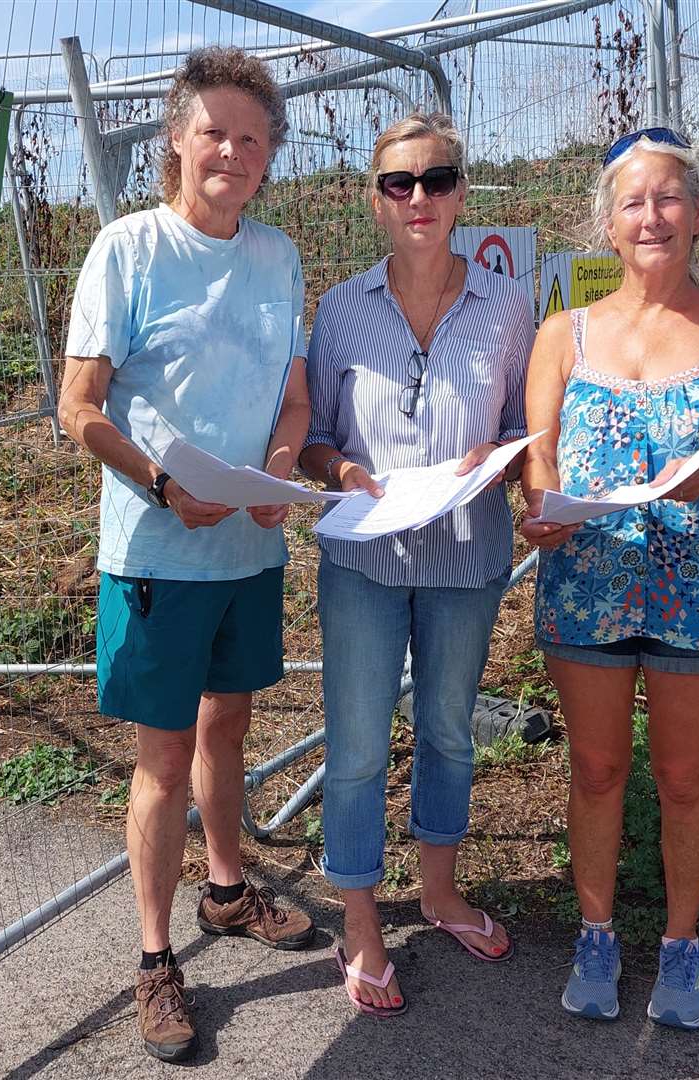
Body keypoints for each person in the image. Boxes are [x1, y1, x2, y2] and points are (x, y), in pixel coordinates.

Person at [58, 46, 314, 1063]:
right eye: (214, 131)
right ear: (175, 141)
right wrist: (165, 487)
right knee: (162, 757)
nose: (232, 153)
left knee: (230, 726)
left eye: (252, 140)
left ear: (267, 159)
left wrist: (280, 473)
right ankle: (156, 958)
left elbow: (291, 401)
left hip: (246, 552)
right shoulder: (128, 250)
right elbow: (78, 407)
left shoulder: (278, 256)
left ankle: (224, 890)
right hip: (158, 552)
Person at [520, 127, 699, 1030]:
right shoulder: (563, 332)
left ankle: (681, 945)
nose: (652, 216)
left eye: (669, 198)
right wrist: (544, 508)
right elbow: (542, 454)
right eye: (633, 202)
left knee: (683, 776)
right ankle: (595, 934)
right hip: (586, 584)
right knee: (596, 769)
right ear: (608, 224)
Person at [299, 112, 533, 1018]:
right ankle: (361, 923)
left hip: (466, 554)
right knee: (356, 746)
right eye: (399, 184)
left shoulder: (508, 307)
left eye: (437, 180)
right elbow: (315, 436)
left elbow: (523, 427)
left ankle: (436, 895)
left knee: (446, 730)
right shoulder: (343, 308)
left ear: (463, 192)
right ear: (375, 201)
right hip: (362, 555)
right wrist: (344, 470)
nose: (420, 198)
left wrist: (503, 458)